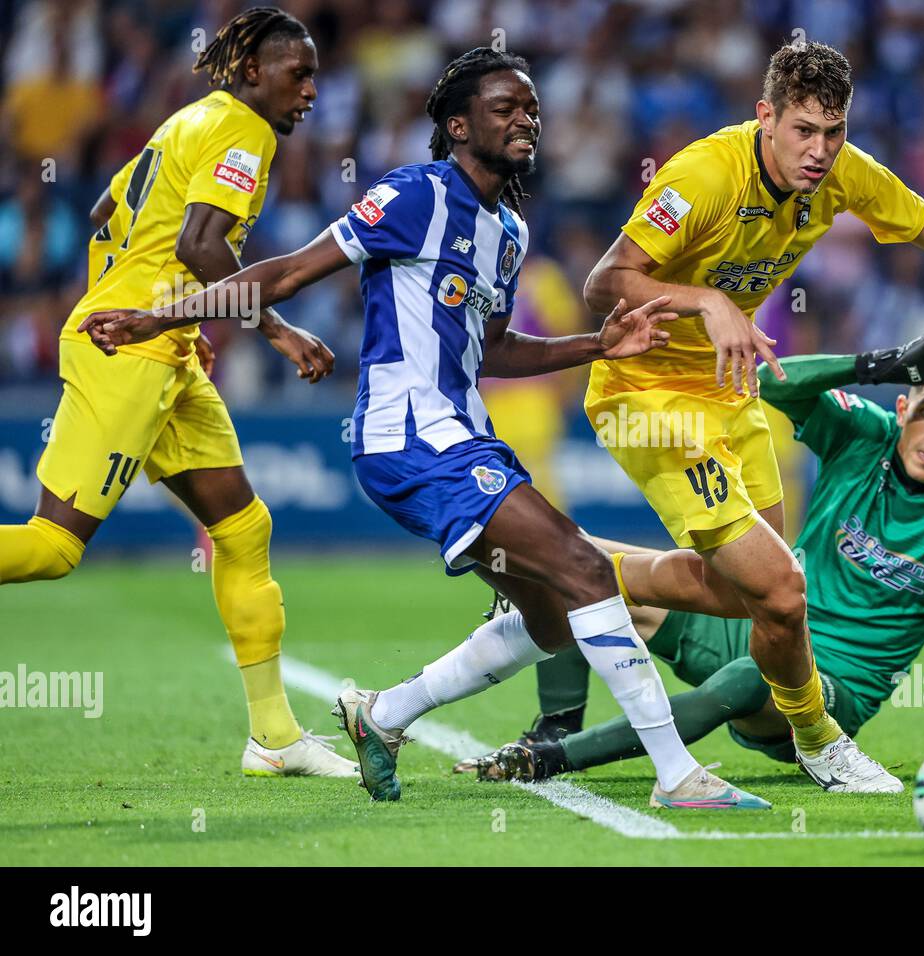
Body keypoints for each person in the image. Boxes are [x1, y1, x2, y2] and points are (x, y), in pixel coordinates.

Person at [80, 48, 768, 811]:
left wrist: (596, 344)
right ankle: (678, 776)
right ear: (458, 123)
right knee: (586, 570)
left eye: (532, 107)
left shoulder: (507, 230)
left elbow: (495, 348)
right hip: (407, 438)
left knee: (546, 614)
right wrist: (159, 315)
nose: (525, 119)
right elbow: (288, 272)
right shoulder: (413, 194)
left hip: (462, 436)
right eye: (505, 107)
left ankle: (383, 715)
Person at [579, 40, 924, 790]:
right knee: (780, 587)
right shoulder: (703, 175)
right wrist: (706, 300)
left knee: (753, 600)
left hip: (726, 385)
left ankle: (564, 568)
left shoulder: (842, 175)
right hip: (647, 389)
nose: (820, 150)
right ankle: (821, 742)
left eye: (834, 131)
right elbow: (603, 283)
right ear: (765, 116)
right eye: (804, 130)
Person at [456, 333, 924, 786]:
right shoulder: (864, 435)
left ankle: (549, 759)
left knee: (752, 676)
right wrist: (878, 362)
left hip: (833, 687)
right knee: (569, 562)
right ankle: (557, 718)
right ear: (904, 404)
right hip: (744, 618)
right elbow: (770, 387)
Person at [0, 7, 354, 779]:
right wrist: (280, 331)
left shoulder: (187, 120)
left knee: (242, 529)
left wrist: (128, 293)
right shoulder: (244, 131)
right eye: (299, 75)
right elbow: (201, 245)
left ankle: (273, 736)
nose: (311, 93)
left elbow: (104, 212)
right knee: (56, 547)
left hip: (159, 344)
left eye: (317, 77)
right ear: (254, 70)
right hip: (130, 347)